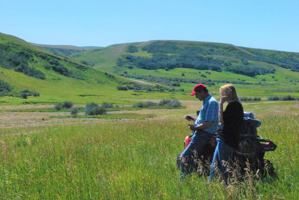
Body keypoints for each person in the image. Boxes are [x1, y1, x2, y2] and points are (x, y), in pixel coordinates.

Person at [179, 83, 219, 177]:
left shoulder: (211, 102)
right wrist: (193, 119)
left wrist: (195, 127)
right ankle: (191, 174)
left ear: (202, 92)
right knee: (191, 156)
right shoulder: (207, 101)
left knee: (185, 157)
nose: (196, 96)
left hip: (204, 134)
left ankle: (183, 179)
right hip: (202, 132)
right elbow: (205, 120)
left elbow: (209, 123)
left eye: (197, 94)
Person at [209, 84, 244, 184]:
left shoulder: (234, 105)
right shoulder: (236, 105)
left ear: (229, 93)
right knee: (215, 164)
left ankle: (227, 185)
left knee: (223, 165)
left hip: (227, 139)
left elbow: (221, 121)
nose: (221, 95)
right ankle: (210, 184)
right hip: (226, 138)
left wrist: (220, 104)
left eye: (223, 93)